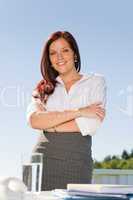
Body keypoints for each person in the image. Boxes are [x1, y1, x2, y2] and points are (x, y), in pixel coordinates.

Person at [26, 31, 106, 191]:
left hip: (77, 164)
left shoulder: (95, 82)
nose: (59, 57)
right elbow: (34, 120)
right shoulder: (42, 88)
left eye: (65, 50)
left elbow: (92, 124)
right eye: (53, 53)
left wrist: (50, 125)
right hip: (42, 162)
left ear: (75, 54)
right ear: (49, 59)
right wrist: (79, 112)